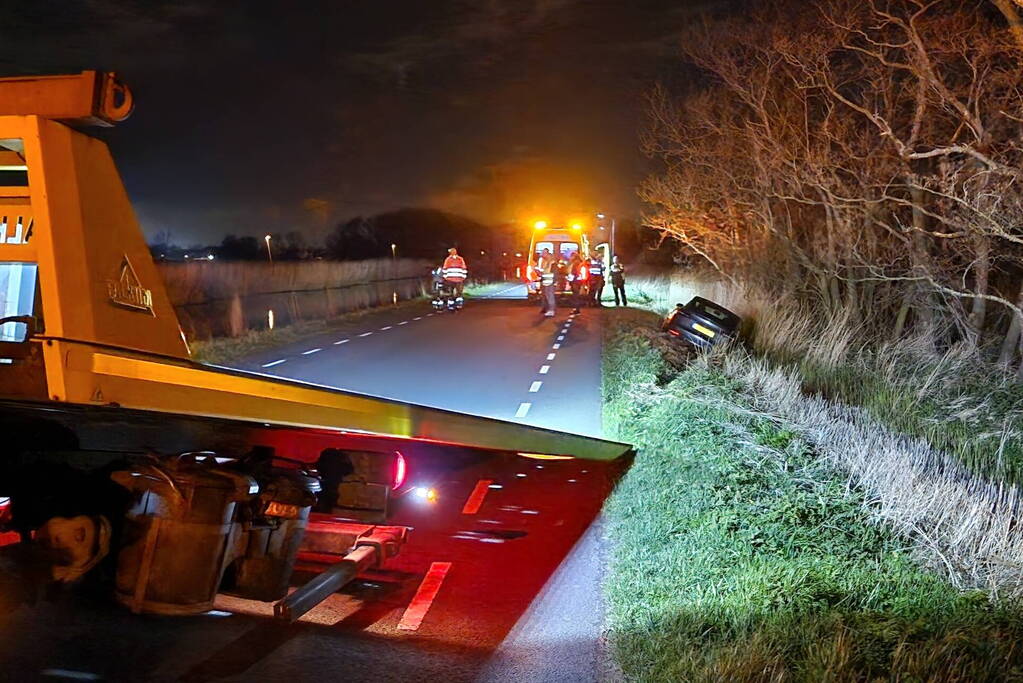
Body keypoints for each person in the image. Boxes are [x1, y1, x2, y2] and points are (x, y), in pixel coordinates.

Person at [536, 248, 557, 317]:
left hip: (550, 281)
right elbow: (544, 271)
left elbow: (554, 272)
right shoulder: (544, 261)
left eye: (544, 253)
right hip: (545, 280)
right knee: (547, 296)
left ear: (547, 253)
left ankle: (551, 310)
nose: (542, 254)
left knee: (550, 296)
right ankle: (548, 309)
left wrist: (554, 281)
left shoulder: (552, 262)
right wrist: (539, 273)